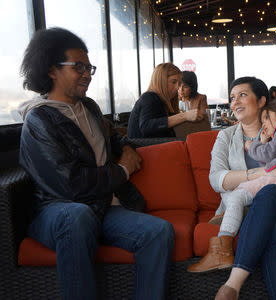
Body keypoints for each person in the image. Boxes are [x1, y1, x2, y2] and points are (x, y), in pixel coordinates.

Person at [18, 27, 174, 300]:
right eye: (78, 67)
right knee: (75, 216)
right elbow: (71, 185)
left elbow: (111, 135)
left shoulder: (88, 106)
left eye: (90, 67)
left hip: (102, 208)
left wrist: (125, 147)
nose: (87, 74)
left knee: (158, 231)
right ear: (51, 69)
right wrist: (124, 170)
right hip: (57, 210)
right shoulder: (39, 120)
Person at [188, 76, 276, 299]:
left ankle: (232, 285)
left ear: (261, 100)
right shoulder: (225, 137)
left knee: (270, 192)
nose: (235, 101)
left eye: (242, 95)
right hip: (247, 211)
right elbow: (216, 179)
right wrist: (264, 172)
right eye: (232, 97)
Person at [127, 63, 202, 138]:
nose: (177, 88)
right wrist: (184, 116)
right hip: (142, 148)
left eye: (178, 83)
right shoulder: (149, 97)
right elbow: (146, 127)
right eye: (173, 82)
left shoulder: (164, 101)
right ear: (161, 82)